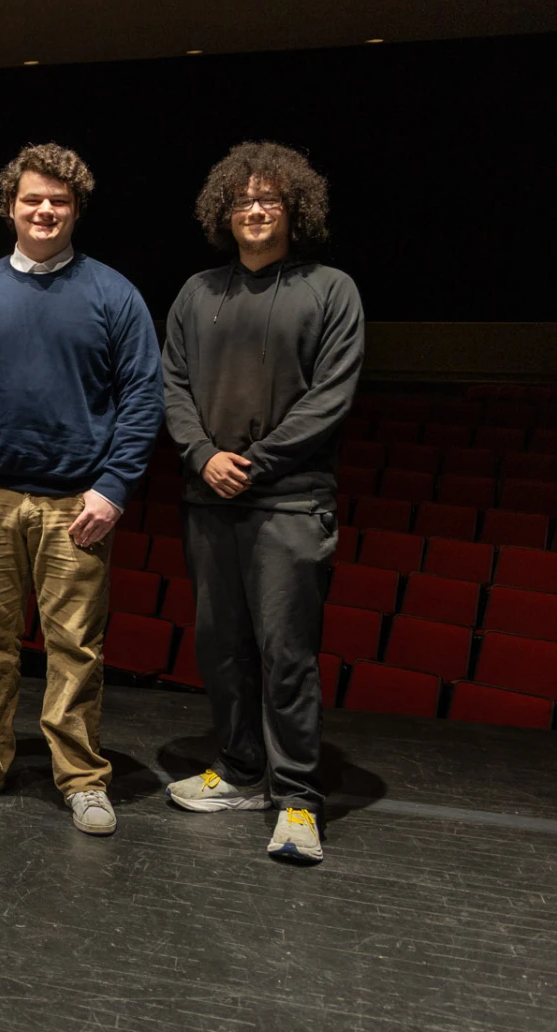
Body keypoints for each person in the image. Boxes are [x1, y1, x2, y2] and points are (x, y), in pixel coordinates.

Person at [0, 144, 164, 836]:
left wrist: (113, 488)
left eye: (58, 201)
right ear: (10, 208)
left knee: (75, 648)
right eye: (32, 199)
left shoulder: (113, 294)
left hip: (76, 505)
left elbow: (143, 398)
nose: (45, 211)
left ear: (75, 209)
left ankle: (81, 777)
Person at [161, 141, 365, 866]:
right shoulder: (196, 292)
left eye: (269, 199)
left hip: (287, 501)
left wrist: (255, 462)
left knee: (285, 656)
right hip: (207, 496)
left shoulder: (331, 288)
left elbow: (330, 398)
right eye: (242, 199)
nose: (254, 209)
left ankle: (298, 800)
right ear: (224, 210)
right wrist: (202, 456)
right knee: (221, 649)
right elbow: (173, 387)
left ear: (293, 209)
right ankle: (242, 770)